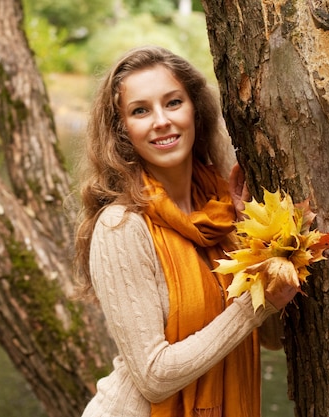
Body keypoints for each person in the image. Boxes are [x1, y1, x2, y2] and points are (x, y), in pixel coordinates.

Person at [74, 45, 299, 417]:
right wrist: (250, 308)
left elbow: (272, 338)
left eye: (173, 102)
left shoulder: (221, 214)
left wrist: (254, 241)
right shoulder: (121, 226)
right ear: (122, 130)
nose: (161, 120)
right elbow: (153, 377)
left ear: (195, 109)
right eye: (140, 110)